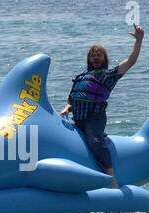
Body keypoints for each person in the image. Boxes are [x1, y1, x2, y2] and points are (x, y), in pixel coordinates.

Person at [59, 23, 144, 188]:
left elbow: (130, 62)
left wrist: (138, 40)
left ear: (104, 59)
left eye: (99, 55)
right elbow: (75, 97)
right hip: (79, 118)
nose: (96, 57)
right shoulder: (82, 75)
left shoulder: (108, 75)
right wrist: (66, 108)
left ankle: (111, 180)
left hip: (94, 118)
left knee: (94, 141)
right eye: (92, 55)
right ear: (88, 59)